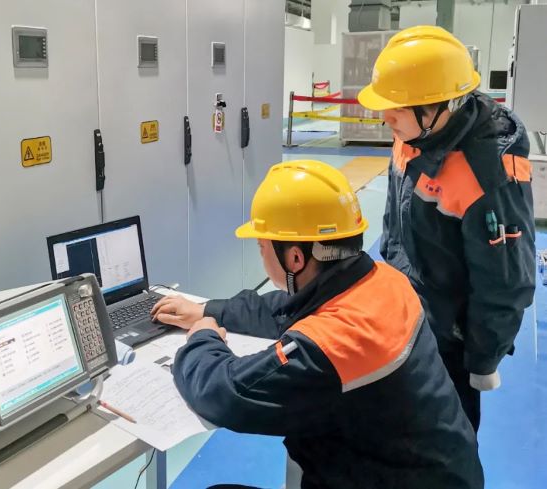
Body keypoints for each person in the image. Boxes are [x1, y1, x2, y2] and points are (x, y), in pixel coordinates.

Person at [151, 160, 483, 489]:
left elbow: (225, 394)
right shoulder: (383, 280)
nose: (261, 254)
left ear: (295, 257)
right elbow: (285, 308)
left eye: (262, 246)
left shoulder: (332, 344)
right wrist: (207, 309)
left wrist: (203, 337)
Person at [357, 25, 535, 432]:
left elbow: (505, 279)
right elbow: (394, 225)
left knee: (448, 440)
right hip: (407, 318)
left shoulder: (488, 175)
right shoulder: (411, 135)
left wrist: (483, 359)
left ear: (440, 106)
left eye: (396, 108)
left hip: (450, 341)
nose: (385, 118)